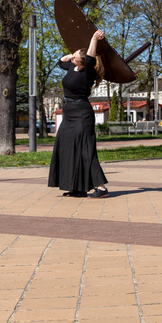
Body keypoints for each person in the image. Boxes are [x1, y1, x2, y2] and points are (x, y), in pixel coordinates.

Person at [48, 29, 110, 198]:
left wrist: (94, 38)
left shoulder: (87, 73)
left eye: (74, 56)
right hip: (69, 114)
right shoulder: (72, 66)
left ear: (81, 62)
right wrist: (69, 57)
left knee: (85, 150)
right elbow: (60, 62)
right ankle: (77, 187)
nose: (71, 57)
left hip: (81, 114)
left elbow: (89, 59)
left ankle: (102, 188)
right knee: (66, 146)